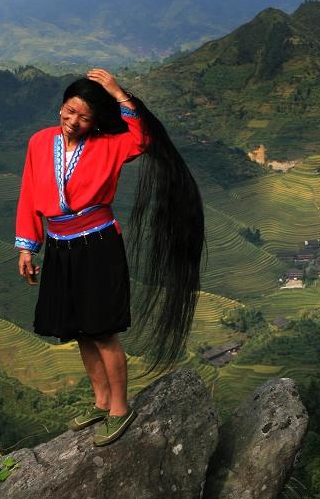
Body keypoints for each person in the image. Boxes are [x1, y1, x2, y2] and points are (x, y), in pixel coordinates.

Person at [14, 69, 204, 446]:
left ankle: (120, 407)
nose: (72, 122)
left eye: (83, 117)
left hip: (97, 245)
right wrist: (27, 246)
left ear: (96, 120)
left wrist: (118, 92)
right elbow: (29, 193)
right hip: (60, 246)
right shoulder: (39, 142)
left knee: (102, 331)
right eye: (68, 112)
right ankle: (100, 401)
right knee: (79, 328)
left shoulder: (110, 144)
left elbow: (145, 138)